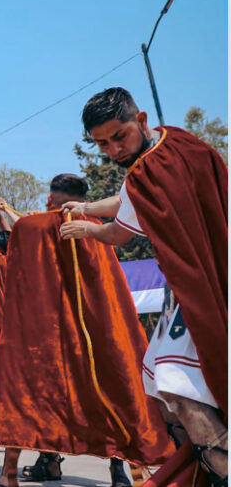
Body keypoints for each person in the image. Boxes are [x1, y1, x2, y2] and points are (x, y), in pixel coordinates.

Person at [59, 87, 227, 485]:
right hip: (210, 276)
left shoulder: (146, 174)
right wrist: (86, 207)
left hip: (197, 289)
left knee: (175, 385)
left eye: (120, 136)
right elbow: (126, 202)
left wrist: (87, 229)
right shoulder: (183, 144)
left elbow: (120, 232)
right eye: (103, 144)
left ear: (142, 120)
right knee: (163, 385)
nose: (113, 149)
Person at [0, 173, 174, 487]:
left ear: (50, 198)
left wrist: (6, 213)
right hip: (97, 328)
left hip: (47, 332)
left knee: (29, 393)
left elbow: (18, 257)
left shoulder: (30, 227)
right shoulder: (94, 226)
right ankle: (122, 470)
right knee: (113, 387)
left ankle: (9, 473)